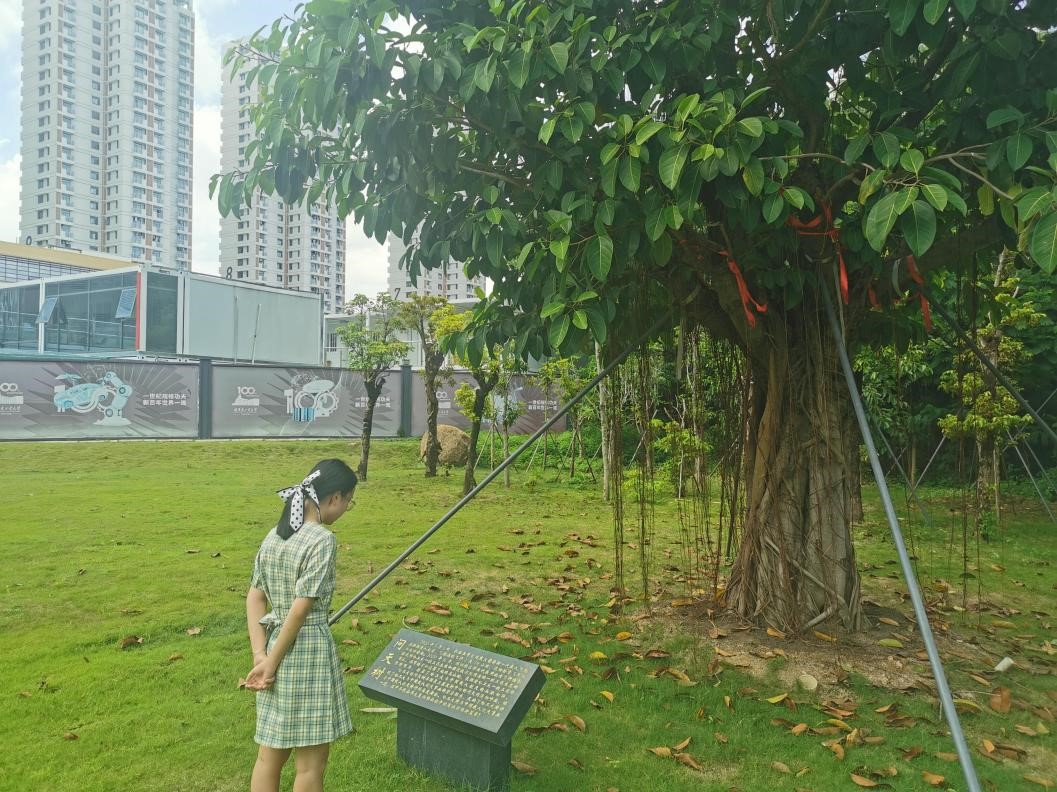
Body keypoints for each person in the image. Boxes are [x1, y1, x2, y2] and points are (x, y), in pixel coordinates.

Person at [244, 459, 358, 792]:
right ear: (334, 497)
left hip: (273, 647)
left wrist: (260, 656)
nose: (346, 509)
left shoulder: (275, 536)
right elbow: (299, 612)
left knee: (269, 757)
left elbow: (254, 597)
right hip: (306, 652)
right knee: (310, 766)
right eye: (349, 501)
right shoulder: (321, 540)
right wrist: (270, 665)